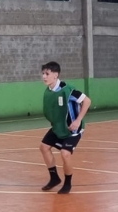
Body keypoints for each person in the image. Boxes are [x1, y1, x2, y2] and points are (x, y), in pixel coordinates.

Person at [39, 61, 91, 194]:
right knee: (44, 147)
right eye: (43, 73)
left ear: (55, 75)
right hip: (59, 126)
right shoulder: (49, 91)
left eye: (47, 74)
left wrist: (78, 120)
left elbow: (87, 101)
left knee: (65, 153)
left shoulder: (68, 90)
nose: (44, 76)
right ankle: (54, 178)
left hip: (72, 129)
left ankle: (67, 183)